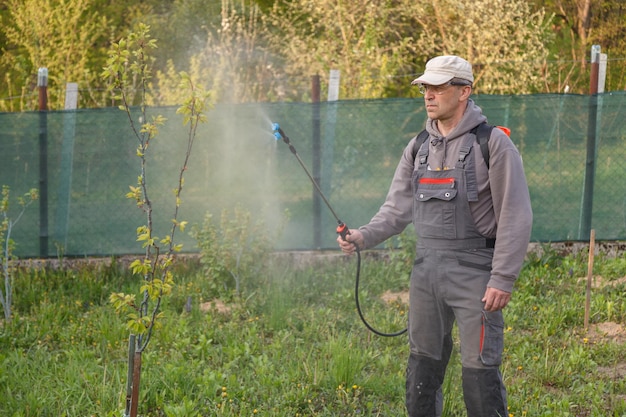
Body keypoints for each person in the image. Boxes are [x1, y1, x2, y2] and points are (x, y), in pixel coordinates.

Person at [337, 55, 532, 417]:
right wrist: (363, 236)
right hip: (425, 274)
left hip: (476, 275)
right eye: (426, 86)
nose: (429, 94)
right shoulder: (418, 147)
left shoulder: (492, 145)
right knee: (422, 371)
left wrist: (502, 278)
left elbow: (516, 216)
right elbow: (396, 210)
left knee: (479, 374)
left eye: (439, 86)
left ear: (464, 92)